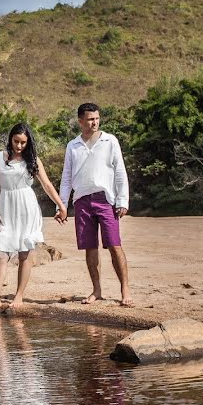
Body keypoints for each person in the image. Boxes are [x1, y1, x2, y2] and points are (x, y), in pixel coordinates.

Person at [0, 123, 66, 317]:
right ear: (10, 139)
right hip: (6, 207)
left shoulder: (33, 160)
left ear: (28, 143)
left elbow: (46, 184)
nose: (19, 146)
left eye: (23, 142)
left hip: (27, 208)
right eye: (16, 141)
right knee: (0, 254)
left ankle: (19, 295)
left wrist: (61, 206)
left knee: (24, 254)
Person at [58, 103, 132, 306]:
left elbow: (120, 172)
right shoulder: (72, 146)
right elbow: (66, 178)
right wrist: (61, 205)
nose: (95, 122)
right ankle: (96, 290)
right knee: (90, 247)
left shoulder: (110, 141)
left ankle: (125, 290)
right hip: (81, 200)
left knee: (114, 245)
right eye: (90, 119)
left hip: (106, 199)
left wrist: (122, 200)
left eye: (97, 118)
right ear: (80, 121)